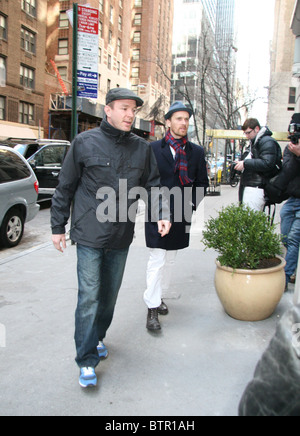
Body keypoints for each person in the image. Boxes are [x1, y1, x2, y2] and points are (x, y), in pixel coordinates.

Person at [51, 88, 171, 388]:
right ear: (108, 110)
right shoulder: (84, 142)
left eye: (134, 110)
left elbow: (153, 185)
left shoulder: (142, 149)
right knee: (89, 296)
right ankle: (86, 359)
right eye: (124, 108)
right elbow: (65, 186)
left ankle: (97, 336)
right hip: (89, 234)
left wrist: (162, 213)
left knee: (108, 298)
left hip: (120, 235)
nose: (130, 114)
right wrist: (57, 226)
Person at [144, 102, 209, 331]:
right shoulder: (152, 149)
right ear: (168, 122)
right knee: (157, 259)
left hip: (181, 215)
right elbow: (145, 182)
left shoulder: (196, 152)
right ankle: (151, 309)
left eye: (186, 119)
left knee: (170, 260)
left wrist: (189, 206)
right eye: (179, 118)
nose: (183, 123)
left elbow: (202, 184)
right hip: (156, 213)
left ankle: (159, 297)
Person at [265, 113, 300, 289]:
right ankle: (293, 269)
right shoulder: (290, 149)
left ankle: (285, 279)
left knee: (293, 239)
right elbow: (288, 172)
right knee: (286, 238)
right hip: (292, 200)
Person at [235, 118, 282, 211]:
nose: (247, 136)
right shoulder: (258, 142)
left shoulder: (266, 141)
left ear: (256, 129)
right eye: (245, 133)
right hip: (254, 186)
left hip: (257, 187)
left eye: (248, 132)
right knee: (249, 219)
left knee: (251, 218)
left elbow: (267, 163)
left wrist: (245, 163)